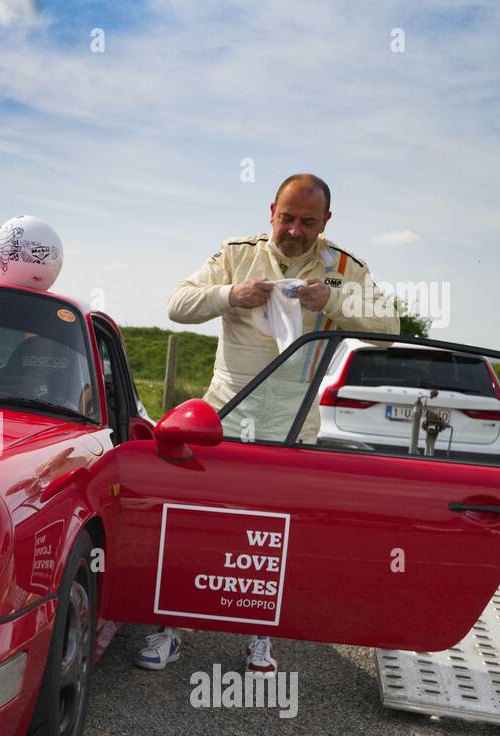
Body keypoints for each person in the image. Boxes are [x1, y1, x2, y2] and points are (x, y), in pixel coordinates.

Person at [135, 173, 398, 673]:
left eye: (308, 222)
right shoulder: (235, 254)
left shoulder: (346, 267)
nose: (295, 230)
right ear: (270, 211)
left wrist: (336, 303)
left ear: (326, 223)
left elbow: (389, 330)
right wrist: (230, 294)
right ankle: (170, 628)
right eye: (286, 218)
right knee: (197, 527)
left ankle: (260, 636)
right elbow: (176, 304)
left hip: (294, 426)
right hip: (226, 417)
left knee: (274, 538)